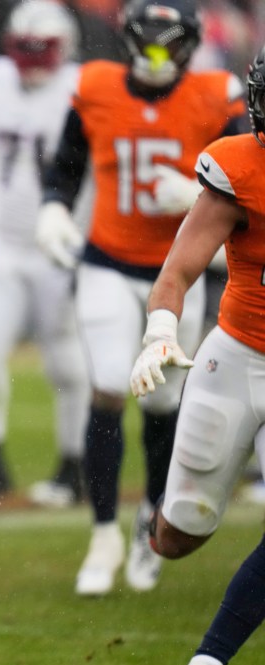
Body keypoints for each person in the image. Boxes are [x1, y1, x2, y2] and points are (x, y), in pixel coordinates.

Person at [36, 0, 246, 596]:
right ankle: (103, 532)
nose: (156, 54)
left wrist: (200, 196)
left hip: (179, 268)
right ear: (126, 39)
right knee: (108, 385)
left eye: (168, 42)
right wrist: (54, 208)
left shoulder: (216, 95)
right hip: (108, 261)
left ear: (190, 45)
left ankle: (150, 516)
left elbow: (249, 179)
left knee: (162, 402)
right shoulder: (95, 86)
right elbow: (66, 166)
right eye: (147, 41)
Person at [129, 45, 265, 665]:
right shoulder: (240, 167)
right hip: (236, 356)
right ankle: (151, 521)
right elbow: (178, 271)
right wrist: (160, 332)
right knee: (181, 534)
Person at [0, 0, 90, 508]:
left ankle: (73, 468)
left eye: (40, 48)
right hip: (1, 239)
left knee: (68, 364)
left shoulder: (85, 88)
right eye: (22, 47)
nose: (30, 59)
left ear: (64, 47)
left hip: (62, 242)